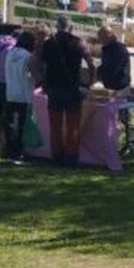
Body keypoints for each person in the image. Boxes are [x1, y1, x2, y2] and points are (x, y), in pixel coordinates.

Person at [40, 16, 95, 168]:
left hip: (54, 88)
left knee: (55, 126)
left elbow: (40, 64)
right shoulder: (79, 43)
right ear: (71, 28)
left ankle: (56, 157)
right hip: (73, 88)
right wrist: (89, 83)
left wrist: (43, 82)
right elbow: (91, 64)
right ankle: (71, 158)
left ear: (57, 27)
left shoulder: (49, 43)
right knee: (73, 126)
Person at [95, 25, 134, 154]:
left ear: (109, 35)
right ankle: (113, 142)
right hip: (110, 87)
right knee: (112, 117)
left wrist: (104, 77)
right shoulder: (106, 49)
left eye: (101, 37)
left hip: (121, 86)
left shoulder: (119, 49)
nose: (99, 40)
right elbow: (104, 66)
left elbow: (115, 69)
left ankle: (129, 143)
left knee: (125, 116)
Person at [3, 29, 36, 163]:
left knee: (11, 124)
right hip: (24, 94)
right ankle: (17, 153)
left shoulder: (10, 54)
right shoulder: (28, 56)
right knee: (21, 126)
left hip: (10, 92)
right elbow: (31, 74)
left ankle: (10, 151)